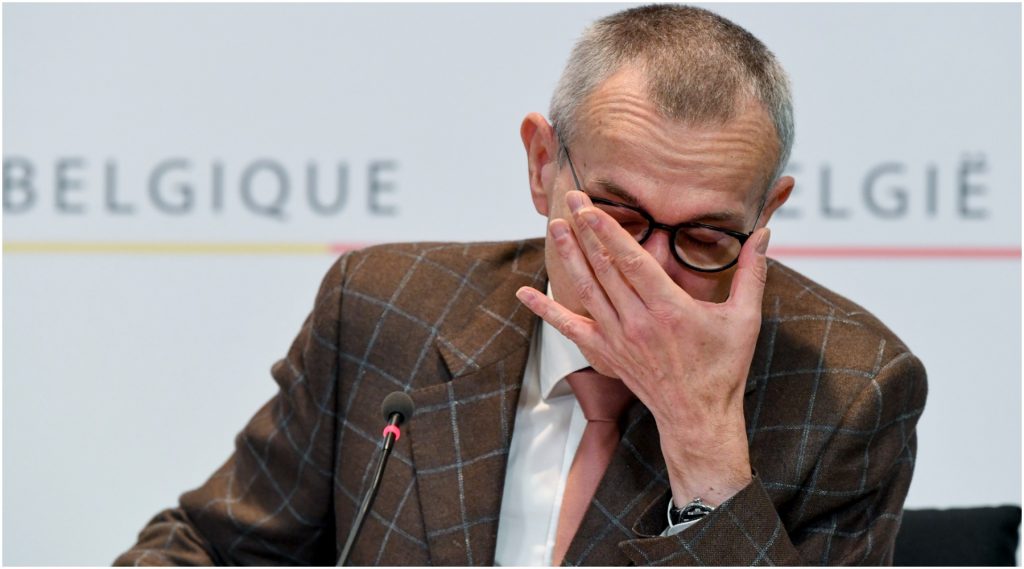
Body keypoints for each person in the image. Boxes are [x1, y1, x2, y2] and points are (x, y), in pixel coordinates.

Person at [115, 4, 926, 566]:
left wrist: (705, 452)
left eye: (706, 236)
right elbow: (211, 546)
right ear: (543, 165)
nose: (647, 268)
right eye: (615, 216)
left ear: (766, 212)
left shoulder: (850, 394)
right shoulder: (384, 305)